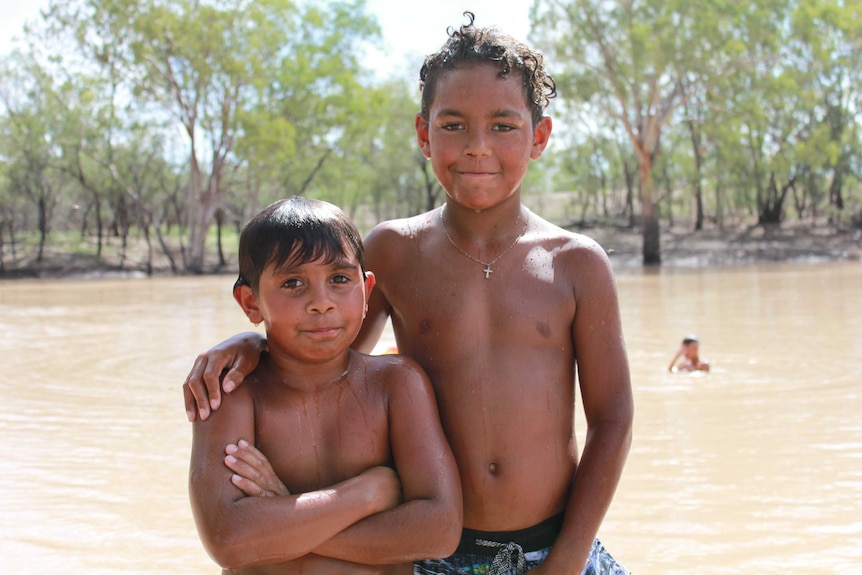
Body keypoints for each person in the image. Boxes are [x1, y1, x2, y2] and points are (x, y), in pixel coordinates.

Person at [185, 13, 633, 575]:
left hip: (555, 543)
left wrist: (566, 561)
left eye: (502, 125)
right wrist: (253, 344)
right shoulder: (395, 250)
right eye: (452, 126)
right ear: (424, 135)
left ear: (538, 137)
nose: (476, 147)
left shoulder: (576, 263)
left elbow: (613, 419)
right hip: (423, 546)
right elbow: (329, 349)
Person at [188, 196, 462, 574]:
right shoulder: (232, 390)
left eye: (339, 279)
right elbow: (228, 540)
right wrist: (367, 493)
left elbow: (440, 530)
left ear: (366, 293)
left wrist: (284, 518)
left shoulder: (396, 384)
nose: (321, 303)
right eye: (293, 283)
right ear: (251, 303)